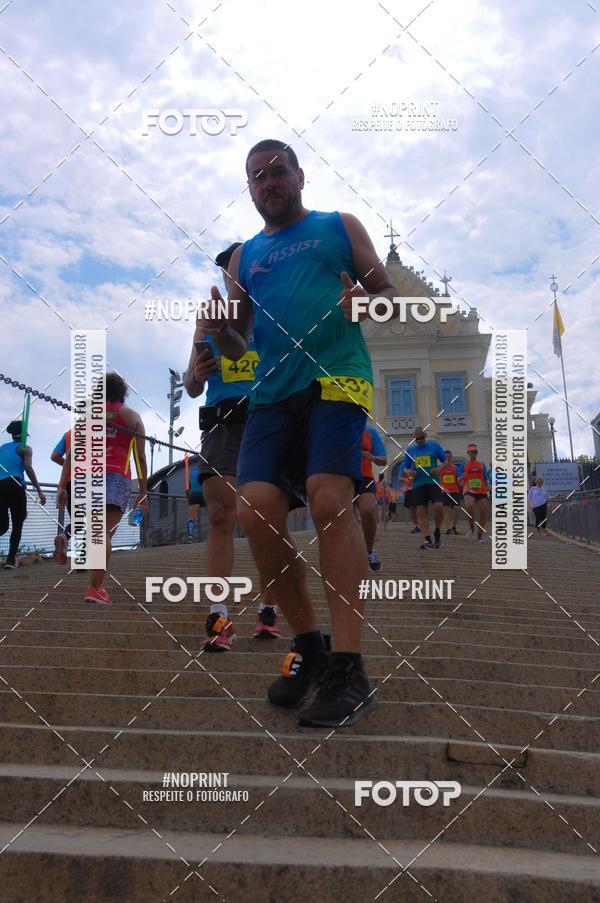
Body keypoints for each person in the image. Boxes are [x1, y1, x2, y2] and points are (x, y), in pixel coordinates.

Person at [202, 138, 396, 728]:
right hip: (271, 393)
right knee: (255, 510)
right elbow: (240, 338)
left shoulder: (339, 225)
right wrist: (218, 339)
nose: (268, 182)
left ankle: (350, 665)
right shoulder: (246, 257)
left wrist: (364, 304)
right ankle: (309, 650)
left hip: (338, 379)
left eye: (277, 171)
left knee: (329, 497)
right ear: (251, 189)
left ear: (299, 175)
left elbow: (387, 298)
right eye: (256, 176)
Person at [184, 242, 281, 649]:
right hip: (223, 417)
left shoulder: (277, 311)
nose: (235, 276)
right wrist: (199, 372)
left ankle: (268, 608)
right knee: (221, 515)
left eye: (242, 267)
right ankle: (219, 619)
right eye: (229, 270)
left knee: (266, 520)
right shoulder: (208, 318)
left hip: (270, 416)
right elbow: (190, 386)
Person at [57, 372, 148, 602]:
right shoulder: (131, 416)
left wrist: (61, 486)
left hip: (83, 478)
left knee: (95, 531)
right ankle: (94, 588)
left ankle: (98, 582)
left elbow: (70, 456)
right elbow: (140, 458)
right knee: (104, 532)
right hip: (115, 477)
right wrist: (143, 492)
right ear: (123, 393)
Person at [0, 420, 46, 568]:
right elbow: (28, 467)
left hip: (1, 486)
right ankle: (10, 560)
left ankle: (11, 559)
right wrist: (39, 490)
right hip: (15, 486)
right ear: (25, 435)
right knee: (17, 524)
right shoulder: (25, 448)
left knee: (2, 526)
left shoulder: (2, 448)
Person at [401, 428, 446, 549]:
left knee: (438, 506)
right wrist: (409, 471)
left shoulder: (434, 446)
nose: (420, 441)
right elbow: (404, 467)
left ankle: (437, 531)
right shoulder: (410, 450)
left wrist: (439, 468)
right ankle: (427, 540)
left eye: (421, 438)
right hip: (418, 484)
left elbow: (446, 460)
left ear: (425, 437)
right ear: (414, 439)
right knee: (420, 510)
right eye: (417, 439)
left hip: (433, 482)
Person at [356, 425, 387, 571]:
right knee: (346, 518)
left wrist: (371, 457)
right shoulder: (336, 425)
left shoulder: (370, 431)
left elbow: (383, 460)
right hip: (341, 477)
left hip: (364, 477)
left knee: (368, 511)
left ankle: (370, 550)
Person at [460, 443, 490, 543]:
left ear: (477, 453)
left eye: (475, 452)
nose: (473, 454)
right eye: (471, 452)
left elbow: (485, 477)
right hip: (469, 488)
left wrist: (488, 485)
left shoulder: (482, 464)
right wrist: (460, 479)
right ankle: (471, 526)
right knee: (469, 506)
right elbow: (459, 477)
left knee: (483, 510)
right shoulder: (464, 465)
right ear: (468, 453)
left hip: (480, 489)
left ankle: (480, 536)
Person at [51, 429, 72, 564]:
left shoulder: (69, 433)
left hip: (70, 481)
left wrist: (61, 486)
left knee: (79, 520)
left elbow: (54, 456)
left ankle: (64, 536)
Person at [440, 450, 461, 535]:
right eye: (446, 457)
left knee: (456, 509)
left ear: (451, 458)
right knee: (445, 510)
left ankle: (454, 527)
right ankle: (448, 528)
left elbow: (458, 480)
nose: (447, 458)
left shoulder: (455, 468)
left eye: (449, 457)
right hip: (444, 491)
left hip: (454, 491)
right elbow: (438, 480)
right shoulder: (440, 468)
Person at [401, 462, 419, 532]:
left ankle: (421, 524)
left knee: (420, 507)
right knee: (412, 508)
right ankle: (416, 526)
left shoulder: (417, 462)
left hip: (418, 487)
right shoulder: (403, 465)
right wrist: (405, 479)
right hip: (408, 489)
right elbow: (399, 477)